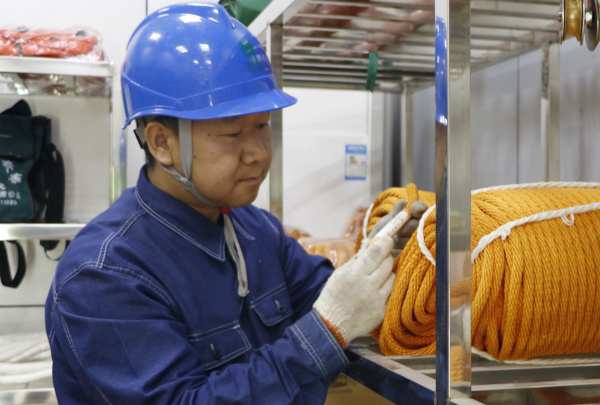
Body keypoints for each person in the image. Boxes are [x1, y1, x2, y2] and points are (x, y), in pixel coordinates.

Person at [45, 3, 422, 403]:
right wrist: (326, 331)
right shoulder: (103, 275)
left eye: (262, 126)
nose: (258, 152)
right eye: (232, 133)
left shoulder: (255, 230)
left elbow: (332, 295)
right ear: (161, 143)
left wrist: (390, 259)